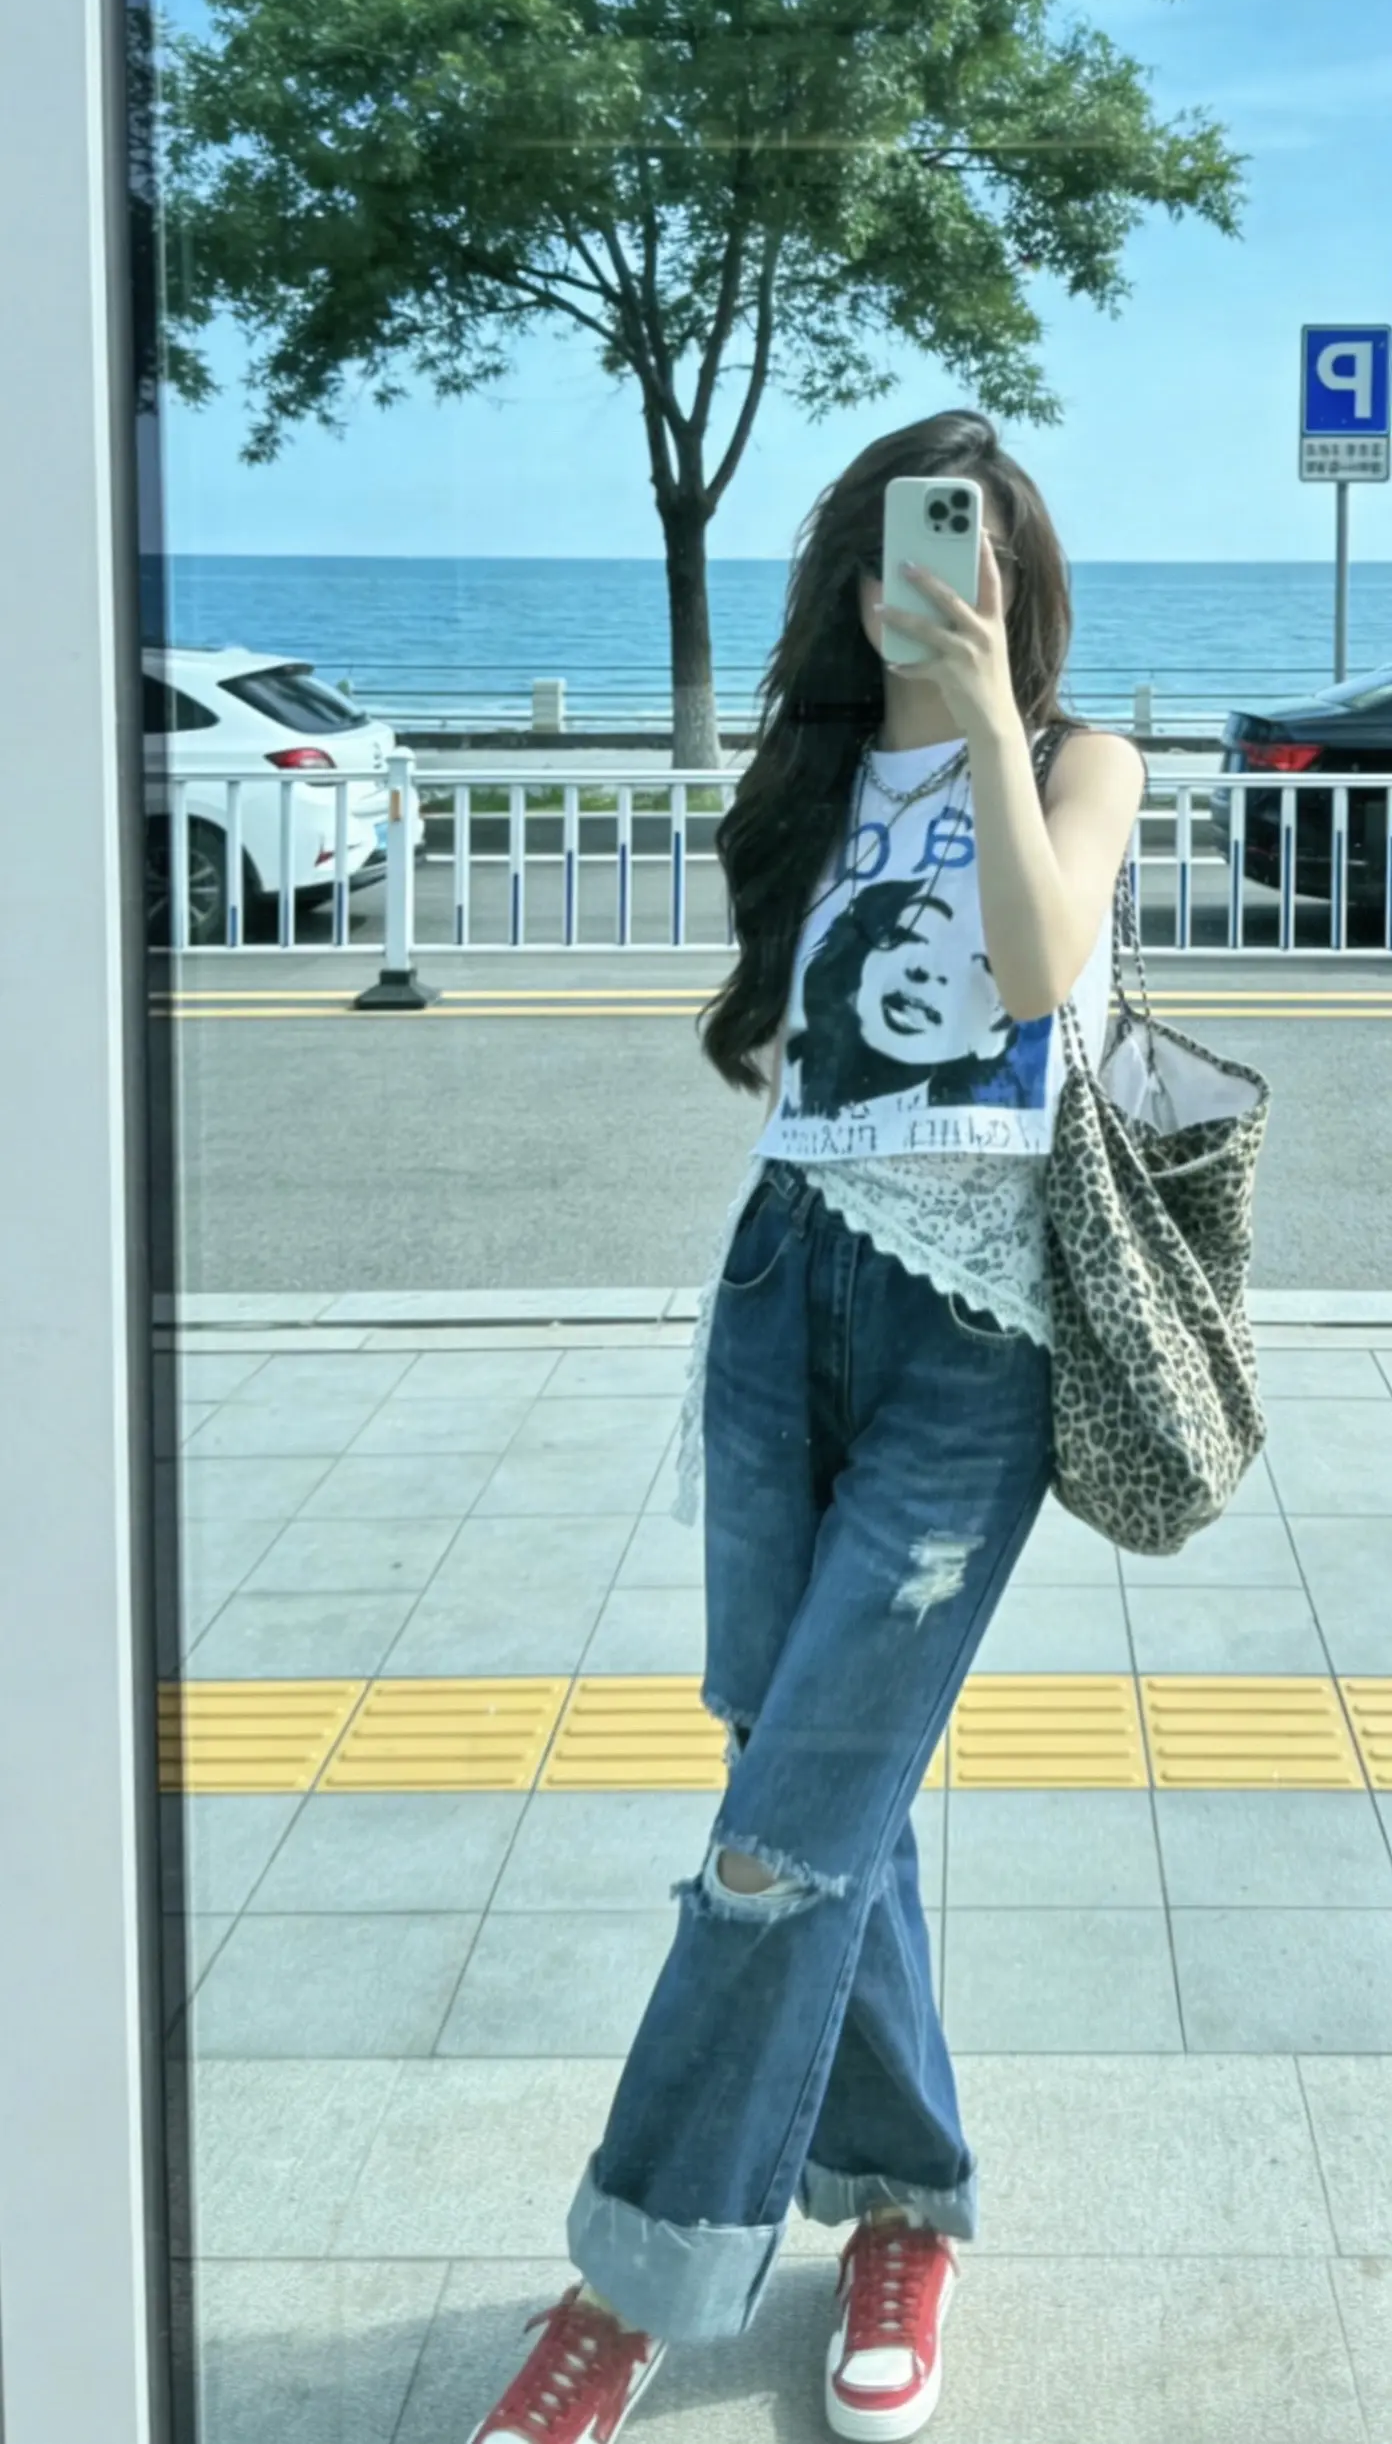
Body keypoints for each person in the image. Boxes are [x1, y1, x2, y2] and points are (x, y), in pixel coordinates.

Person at [467, 408, 1147, 2443]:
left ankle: (633, 2279)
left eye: (974, 550)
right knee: (814, 1789)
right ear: (853, 579)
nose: (937, 578)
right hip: (784, 1294)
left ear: (1018, 580)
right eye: (906, 549)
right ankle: (906, 2203)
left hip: (974, 1339)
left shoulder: (1084, 763)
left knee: (775, 1841)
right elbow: (783, 1051)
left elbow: (1038, 964)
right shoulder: (814, 782)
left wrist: (984, 707)